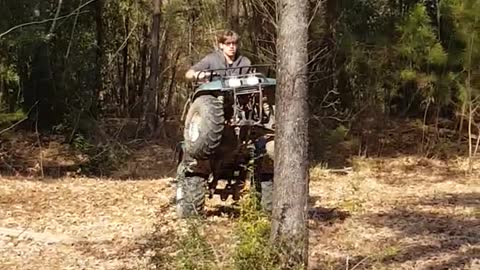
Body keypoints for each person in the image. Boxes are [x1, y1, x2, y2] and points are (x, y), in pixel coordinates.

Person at [185, 30, 252, 80]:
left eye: (234, 43)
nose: (231, 46)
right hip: (215, 94)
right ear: (221, 45)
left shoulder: (245, 61)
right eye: (228, 44)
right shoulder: (211, 59)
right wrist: (195, 74)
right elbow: (188, 73)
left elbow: (253, 76)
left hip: (240, 92)